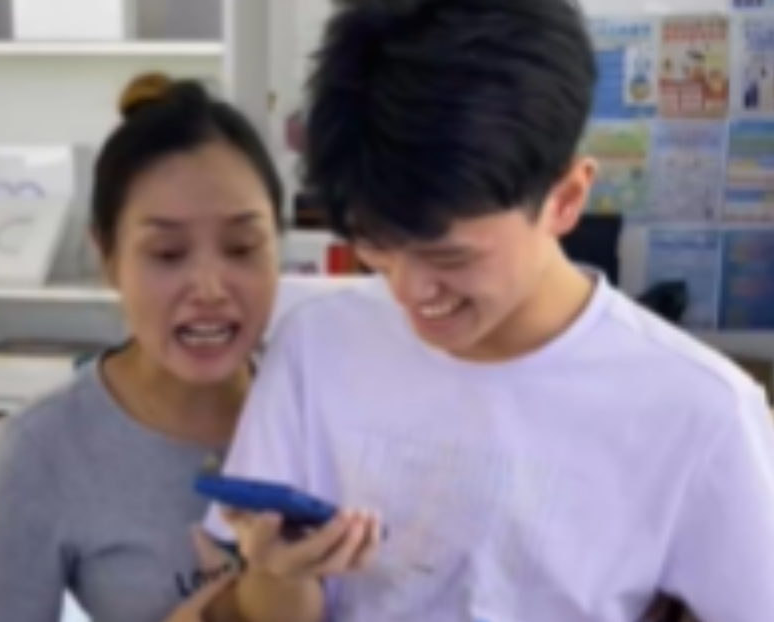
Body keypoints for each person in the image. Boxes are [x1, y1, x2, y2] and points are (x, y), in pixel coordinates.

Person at [204, 1, 774, 621]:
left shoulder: (702, 412)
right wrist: (276, 573)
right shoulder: (318, 345)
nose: (409, 292)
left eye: (449, 257)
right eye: (377, 247)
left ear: (565, 199)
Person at [0, 72, 283, 622]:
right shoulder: (39, 452)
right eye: (168, 254)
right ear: (108, 256)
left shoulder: (325, 403)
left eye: (242, 247)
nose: (209, 288)